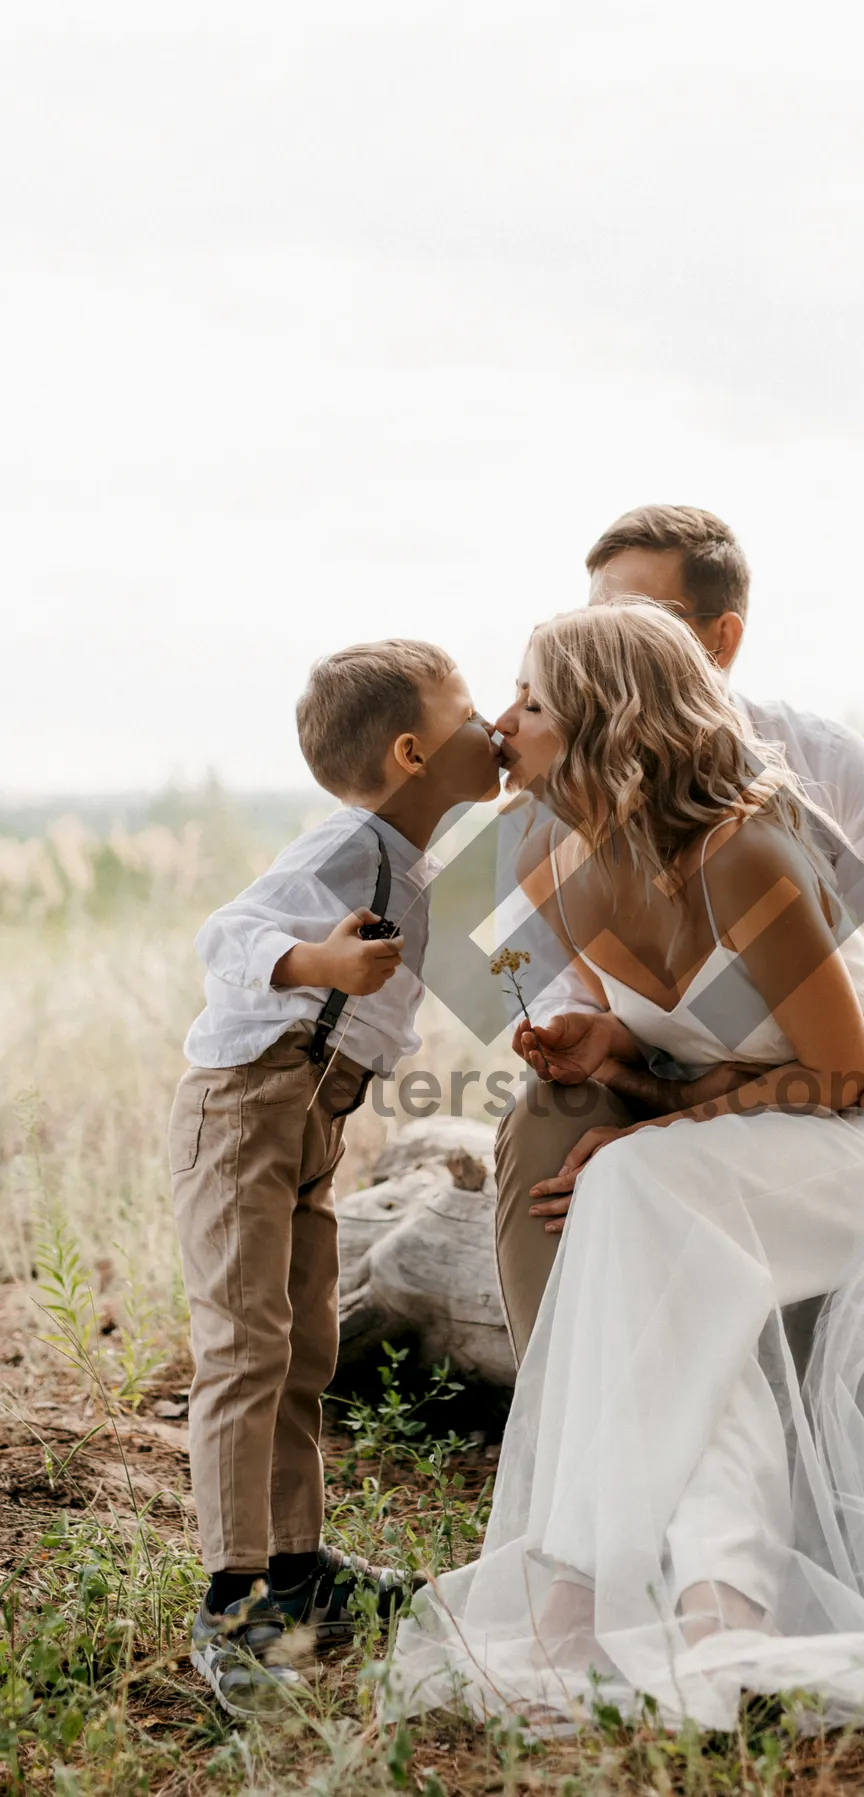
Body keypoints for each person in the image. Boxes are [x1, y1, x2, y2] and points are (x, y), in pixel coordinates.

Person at [381, 605, 864, 1734]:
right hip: (740, 1142)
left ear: (602, 725)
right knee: (679, 1266)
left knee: (636, 1193)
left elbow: (838, 1077)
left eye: (530, 701)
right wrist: (613, 1049)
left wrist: (657, 1130)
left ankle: (581, 1592)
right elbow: (439, 953)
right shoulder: (553, 845)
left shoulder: (749, 852)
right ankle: (714, 1608)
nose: (503, 720)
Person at [494, 504, 864, 1362]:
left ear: (721, 637)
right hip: (675, 1066)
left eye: (639, 618)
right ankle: (565, 1413)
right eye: (595, 615)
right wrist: (603, 1039)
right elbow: (589, 994)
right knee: (552, 1114)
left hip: (830, 1065)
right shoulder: (548, 817)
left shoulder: (808, 765)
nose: (607, 635)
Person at [170, 638, 501, 1716]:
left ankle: (299, 1563)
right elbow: (228, 934)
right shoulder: (350, 846)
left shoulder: (413, 861)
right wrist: (317, 963)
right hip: (245, 1110)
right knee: (244, 1344)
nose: (493, 720)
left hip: (311, 1120)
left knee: (306, 1340)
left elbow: (467, 974)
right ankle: (232, 1601)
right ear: (413, 752)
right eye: (471, 712)